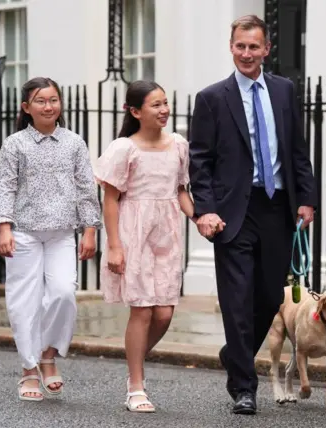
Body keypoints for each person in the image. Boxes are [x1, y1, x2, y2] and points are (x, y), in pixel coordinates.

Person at [188, 14, 317, 415]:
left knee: (267, 295)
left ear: (266, 49)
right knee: (237, 299)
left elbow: (297, 149)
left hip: (278, 208)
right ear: (232, 48)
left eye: (254, 46)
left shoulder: (283, 90)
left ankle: (235, 353)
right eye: (240, 46)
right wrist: (204, 210)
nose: (247, 53)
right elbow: (200, 161)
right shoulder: (212, 98)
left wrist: (307, 198)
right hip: (233, 212)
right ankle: (244, 387)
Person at [0, 77, 101, 401]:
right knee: (25, 302)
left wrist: (90, 229)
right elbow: (3, 186)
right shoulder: (15, 144)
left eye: (53, 100)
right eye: (40, 101)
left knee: (64, 293)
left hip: (62, 233)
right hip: (23, 233)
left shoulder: (74, 143)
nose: (48, 106)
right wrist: (4, 228)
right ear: (26, 107)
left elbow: (85, 189)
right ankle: (28, 370)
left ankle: (48, 355)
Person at [94, 80, 194, 413]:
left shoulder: (179, 144)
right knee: (143, 309)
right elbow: (110, 200)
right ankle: (136, 384)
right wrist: (114, 246)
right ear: (135, 112)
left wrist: (200, 218)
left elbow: (181, 190)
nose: (164, 109)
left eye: (165, 103)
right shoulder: (124, 148)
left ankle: (132, 362)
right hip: (132, 231)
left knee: (164, 313)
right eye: (156, 105)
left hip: (166, 233)